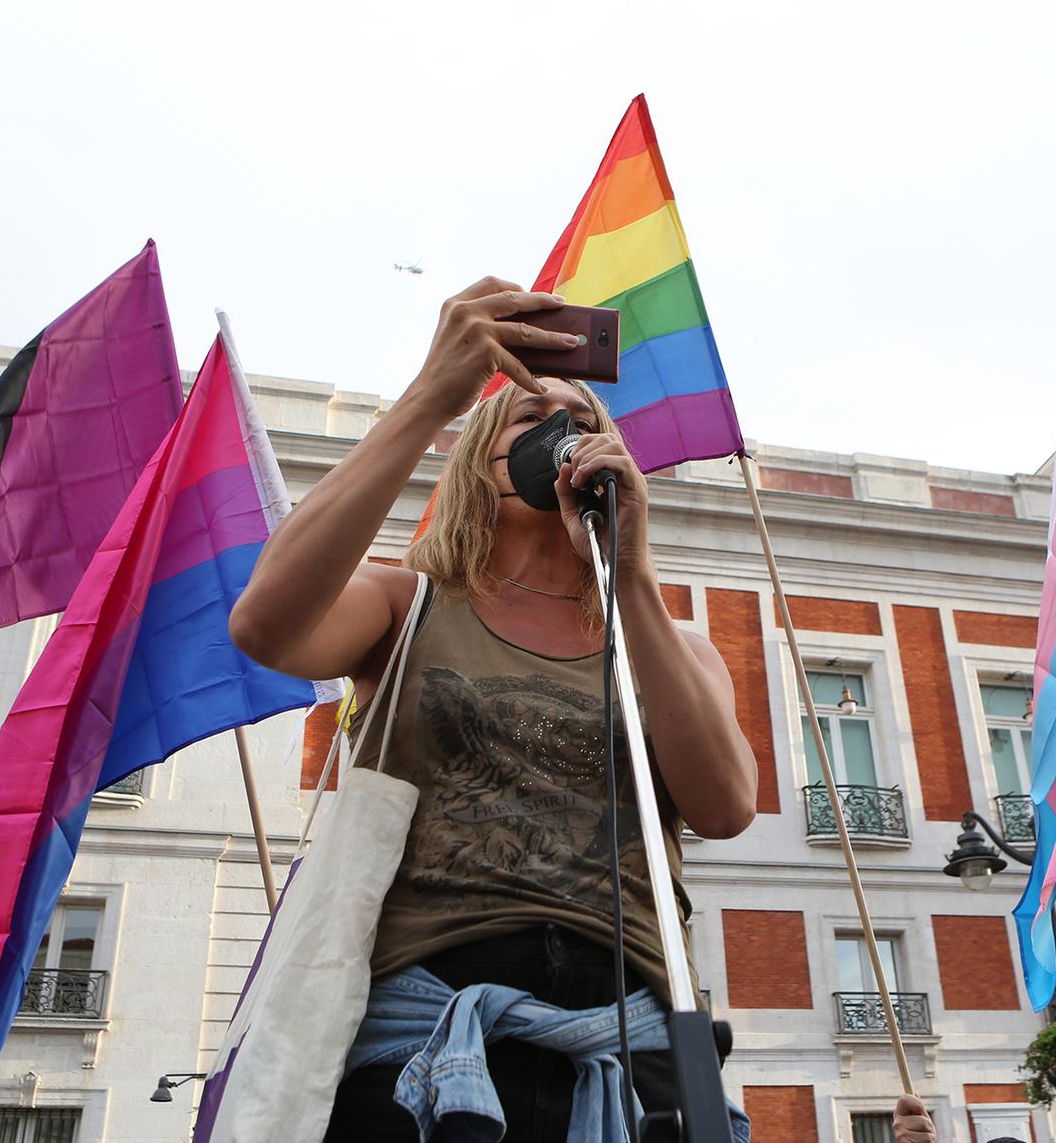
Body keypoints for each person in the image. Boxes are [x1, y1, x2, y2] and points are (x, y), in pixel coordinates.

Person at [231, 277, 759, 1141]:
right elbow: (266, 625)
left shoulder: (671, 645)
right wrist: (433, 393)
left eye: (583, 421)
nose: (563, 432)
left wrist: (630, 576)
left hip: (626, 1046)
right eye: (529, 418)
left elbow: (725, 807)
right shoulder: (407, 605)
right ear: (481, 460)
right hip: (428, 1034)